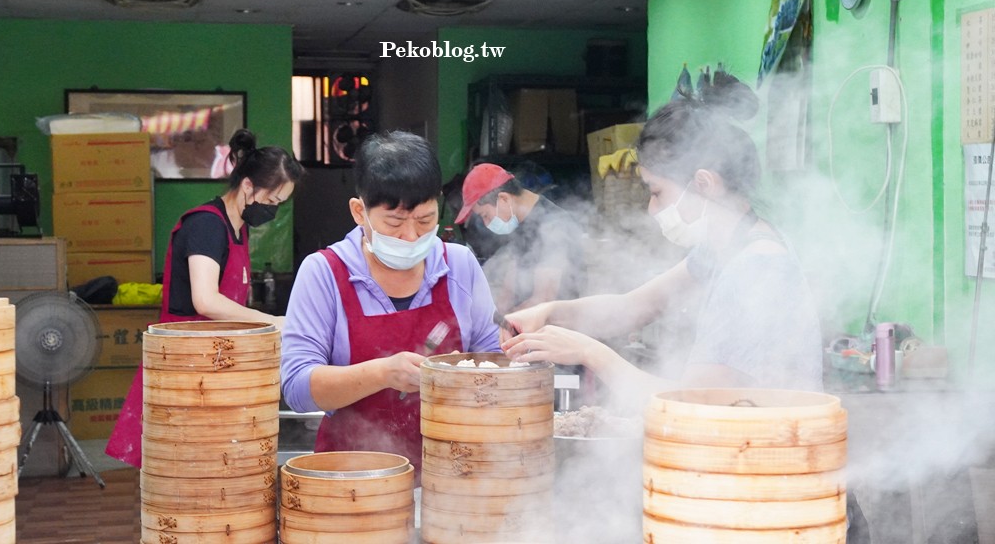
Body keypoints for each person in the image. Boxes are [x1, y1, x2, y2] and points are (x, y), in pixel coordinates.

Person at [500, 100, 823, 395]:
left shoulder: (757, 267)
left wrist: (588, 352)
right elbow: (632, 307)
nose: (652, 209)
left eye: (656, 192)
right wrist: (548, 313)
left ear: (705, 184)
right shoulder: (721, 251)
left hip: (768, 451)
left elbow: (698, 401)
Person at [280, 131, 501, 475]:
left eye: (425, 220)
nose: (411, 236)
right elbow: (297, 388)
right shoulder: (325, 273)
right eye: (395, 222)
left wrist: (465, 375)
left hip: (452, 476)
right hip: (355, 481)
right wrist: (383, 372)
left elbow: (493, 362)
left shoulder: (459, 265)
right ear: (359, 211)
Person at [105, 128, 303, 467]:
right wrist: (272, 322)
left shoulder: (237, 227)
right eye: (271, 202)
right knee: (177, 468)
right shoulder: (206, 225)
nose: (272, 211)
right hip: (186, 362)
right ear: (247, 186)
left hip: (214, 363)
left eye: (279, 205)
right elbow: (206, 301)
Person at [454, 162, 586, 314]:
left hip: (558, 328)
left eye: (485, 215)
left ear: (504, 199)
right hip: (529, 323)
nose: (486, 223)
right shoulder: (522, 225)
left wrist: (502, 323)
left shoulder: (555, 226)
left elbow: (543, 301)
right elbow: (507, 293)